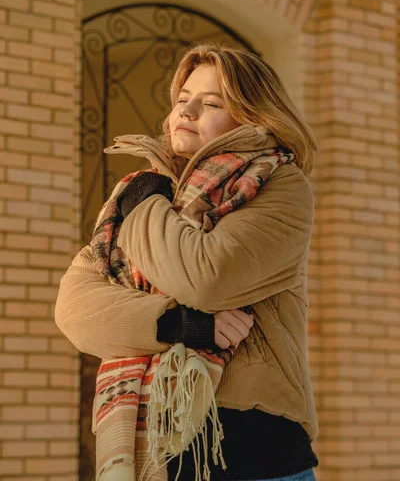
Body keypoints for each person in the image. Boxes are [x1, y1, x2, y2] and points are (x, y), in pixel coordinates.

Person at [55, 43, 319, 481]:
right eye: (183, 100)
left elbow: (203, 276)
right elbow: (75, 308)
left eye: (212, 102)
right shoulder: (146, 192)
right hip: (157, 452)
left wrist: (146, 202)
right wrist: (181, 325)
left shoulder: (280, 187)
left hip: (254, 452)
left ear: (252, 117)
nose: (188, 110)